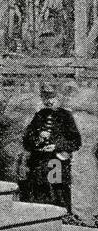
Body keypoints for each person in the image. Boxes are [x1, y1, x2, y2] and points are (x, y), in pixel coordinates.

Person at [21, 82, 81, 216]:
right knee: (39, 194)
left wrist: (56, 146)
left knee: (57, 194)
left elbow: (76, 142)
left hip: (56, 161)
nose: (48, 101)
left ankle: (63, 219)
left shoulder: (66, 116)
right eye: (45, 98)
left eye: (51, 98)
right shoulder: (39, 116)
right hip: (39, 162)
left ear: (58, 98)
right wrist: (38, 137)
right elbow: (26, 140)